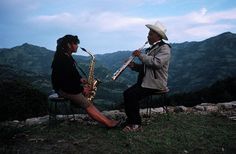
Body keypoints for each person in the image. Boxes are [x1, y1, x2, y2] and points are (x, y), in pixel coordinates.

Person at [51, 34, 119, 128]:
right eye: (75, 43)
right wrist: (81, 89)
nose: (77, 46)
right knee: (87, 104)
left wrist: (80, 79)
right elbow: (65, 82)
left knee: (88, 104)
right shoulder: (63, 59)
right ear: (68, 45)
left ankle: (107, 121)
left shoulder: (66, 57)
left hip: (67, 87)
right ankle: (108, 123)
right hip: (64, 89)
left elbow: (71, 74)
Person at [122, 21, 171, 132]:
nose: (147, 36)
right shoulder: (151, 49)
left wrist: (140, 55)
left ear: (157, 36)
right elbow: (146, 68)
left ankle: (135, 124)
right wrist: (133, 65)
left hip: (155, 83)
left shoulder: (165, 48)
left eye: (150, 34)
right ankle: (131, 120)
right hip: (146, 82)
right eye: (148, 34)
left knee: (131, 95)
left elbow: (157, 63)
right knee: (128, 93)